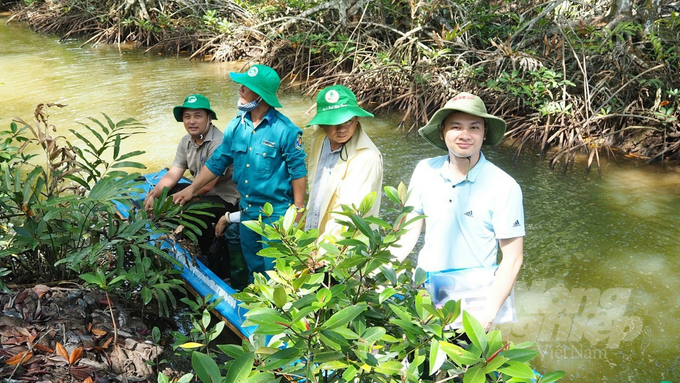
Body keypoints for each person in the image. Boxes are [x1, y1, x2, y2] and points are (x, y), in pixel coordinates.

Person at [392, 92, 525, 331]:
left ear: (484, 134)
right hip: (424, 288)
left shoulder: (504, 186)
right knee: (416, 363)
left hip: (474, 299)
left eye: (474, 127)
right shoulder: (424, 170)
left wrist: (489, 313)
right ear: (443, 132)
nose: (465, 135)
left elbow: (513, 258)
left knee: (462, 365)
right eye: (456, 127)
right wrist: (380, 271)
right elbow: (407, 232)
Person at [173, 64, 307, 281]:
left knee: (276, 273)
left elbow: (298, 172)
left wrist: (299, 211)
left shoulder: (286, 131)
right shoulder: (237, 125)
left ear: (261, 95)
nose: (240, 89)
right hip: (247, 210)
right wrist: (191, 189)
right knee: (254, 270)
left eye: (246, 86)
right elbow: (217, 162)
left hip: (276, 214)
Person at [144, 94, 239, 259]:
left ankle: (208, 253)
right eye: (187, 117)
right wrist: (154, 194)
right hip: (199, 191)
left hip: (225, 197)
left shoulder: (218, 143)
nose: (191, 121)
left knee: (194, 210)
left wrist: (173, 200)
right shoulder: (186, 141)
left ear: (209, 118)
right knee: (164, 192)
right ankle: (179, 235)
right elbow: (174, 173)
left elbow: (208, 186)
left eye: (198, 116)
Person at [304, 85, 383, 241]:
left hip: (343, 247)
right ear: (323, 124)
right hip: (314, 235)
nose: (342, 129)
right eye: (334, 122)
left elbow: (348, 215)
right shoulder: (320, 139)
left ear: (356, 119)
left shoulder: (367, 157)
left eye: (347, 121)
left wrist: (322, 251)